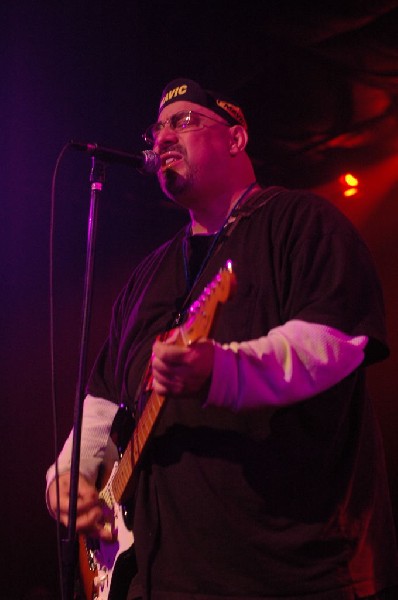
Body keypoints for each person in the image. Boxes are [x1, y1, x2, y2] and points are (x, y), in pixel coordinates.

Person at [46, 78, 398, 600]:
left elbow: (334, 342)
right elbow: (103, 397)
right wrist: (68, 475)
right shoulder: (147, 276)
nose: (164, 137)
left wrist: (222, 370)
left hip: (287, 575)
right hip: (160, 579)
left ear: (236, 139)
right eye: (159, 127)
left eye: (184, 122)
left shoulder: (301, 223)